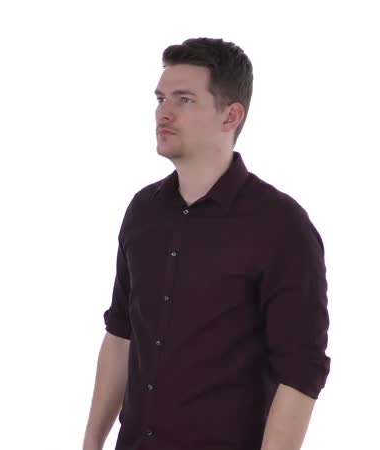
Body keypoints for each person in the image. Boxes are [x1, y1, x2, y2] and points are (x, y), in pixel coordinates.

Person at [82, 37, 331, 450]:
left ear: (231, 115)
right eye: (160, 98)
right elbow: (121, 333)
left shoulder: (282, 226)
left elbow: (300, 372)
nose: (164, 112)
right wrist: (91, 441)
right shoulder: (143, 211)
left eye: (184, 100)